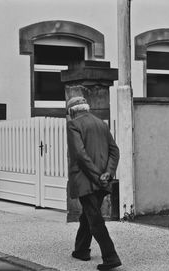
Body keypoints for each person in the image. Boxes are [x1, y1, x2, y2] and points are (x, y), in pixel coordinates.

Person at [66, 96, 122, 270]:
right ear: (86, 108)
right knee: (88, 215)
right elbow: (115, 151)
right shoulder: (101, 124)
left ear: (72, 111)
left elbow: (80, 155)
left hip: (86, 180)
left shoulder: (73, 125)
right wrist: (108, 173)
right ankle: (81, 250)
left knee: (95, 220)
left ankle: (111, 257)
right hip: (102, 180)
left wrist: (97, 176)